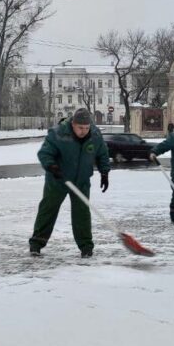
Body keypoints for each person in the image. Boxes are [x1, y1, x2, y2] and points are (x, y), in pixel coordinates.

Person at [29, 108, 111, 258]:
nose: (83, 131)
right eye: (80, 128)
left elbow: (102, 154)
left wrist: (104, 172)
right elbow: (44, 153)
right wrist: (52, 166)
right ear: (73, 124)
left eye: (86, 128)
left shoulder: (95, 135)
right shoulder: (58, 133)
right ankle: (36, 243)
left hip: (81, 181)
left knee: (82, 213)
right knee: (48, 209)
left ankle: (86, 247)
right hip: (57, 180)